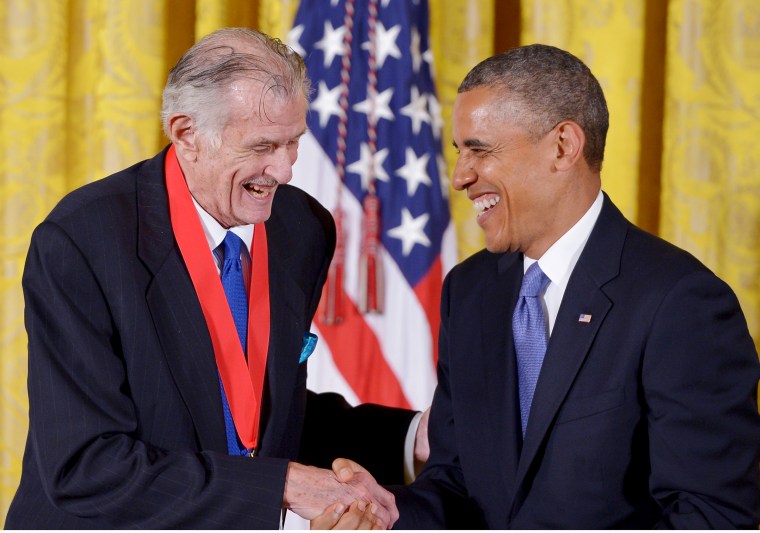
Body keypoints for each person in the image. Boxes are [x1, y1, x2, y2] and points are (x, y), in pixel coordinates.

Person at [319, 43, 760, 529]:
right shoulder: (468, 293)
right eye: (460, 152)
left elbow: (711, 518)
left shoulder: (680, 302)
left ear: (563, 146)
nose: (462, 176)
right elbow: (455, 483)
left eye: (480, 149)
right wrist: (394, 514)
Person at [5, 27, 428, 529]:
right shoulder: (82, 241)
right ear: (186, 135)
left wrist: (410, 435)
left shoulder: (302, 228)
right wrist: (284, 487)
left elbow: (250, 416)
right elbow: (85, 467)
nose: (286, 169)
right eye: (263, 145)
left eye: (294, 142)